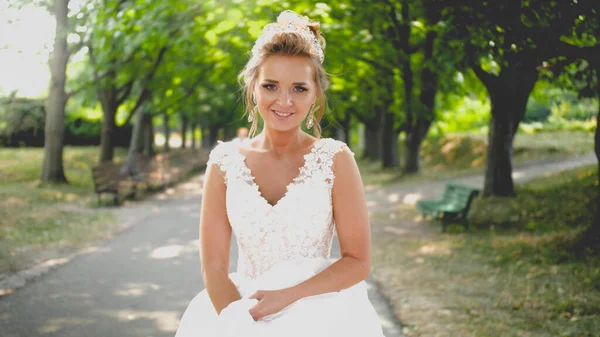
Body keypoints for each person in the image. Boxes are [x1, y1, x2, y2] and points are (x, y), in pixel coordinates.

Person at [175, 10, 385, 337]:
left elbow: (357, 261)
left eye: (299, 88)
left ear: (316, 94)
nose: (284, 101)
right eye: (271, 86)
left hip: (323, 316)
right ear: (253, 89)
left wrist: (285, 299)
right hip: (240, 311)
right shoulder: (224, 162)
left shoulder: (335, 159)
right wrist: (240, 324)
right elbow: (214, 268)